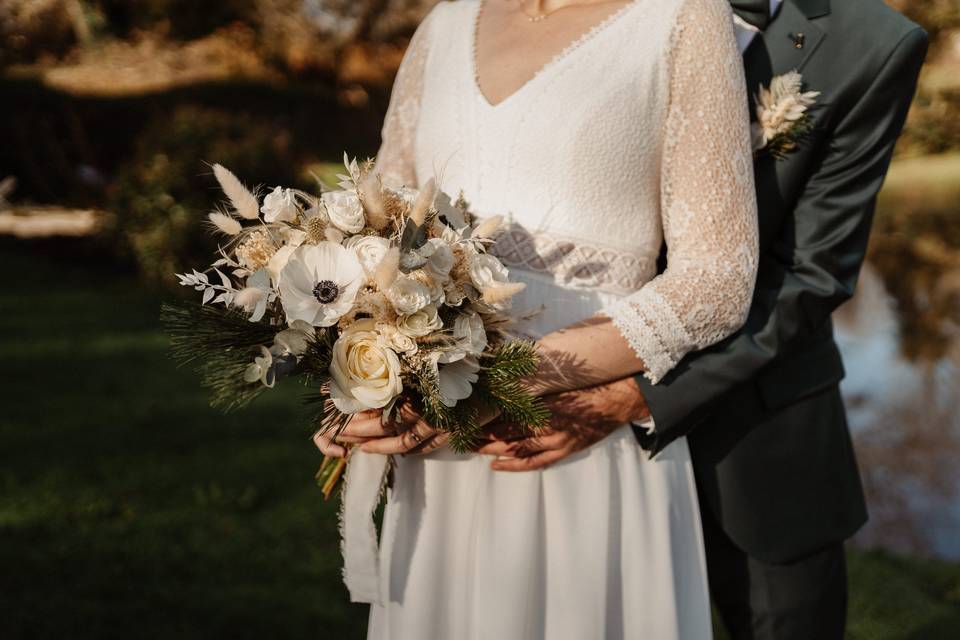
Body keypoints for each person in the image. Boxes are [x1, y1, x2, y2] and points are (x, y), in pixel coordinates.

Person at [469, 1, 930, 638]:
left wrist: (632, 395)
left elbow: (810, 274)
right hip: (567, 411)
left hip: (760, 436)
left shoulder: (875, 42)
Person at [315, 0, 759, 637]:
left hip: (576, 431)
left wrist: (506, 383)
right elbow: (378, 233)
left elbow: (719, 279)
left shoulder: (682, 17)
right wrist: (352, 380)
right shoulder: (443, 24)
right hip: (439, 445)